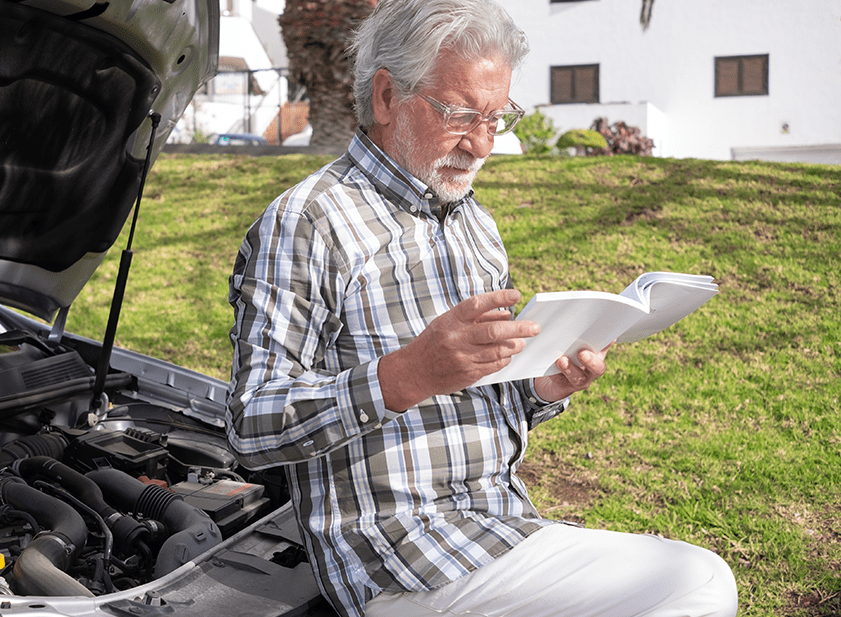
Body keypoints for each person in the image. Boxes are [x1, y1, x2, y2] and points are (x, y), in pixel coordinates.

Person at [226, 0, 738, 616]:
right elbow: (251, 426)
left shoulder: (475, 225)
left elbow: (480, 396)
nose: (482, 144)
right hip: (401, 564)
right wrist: (405, 375)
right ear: (386, 97)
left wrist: (542, 388)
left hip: (499, 530)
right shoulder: (307, 221)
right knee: (695, 580)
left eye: (498, 118)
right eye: (462, 114)